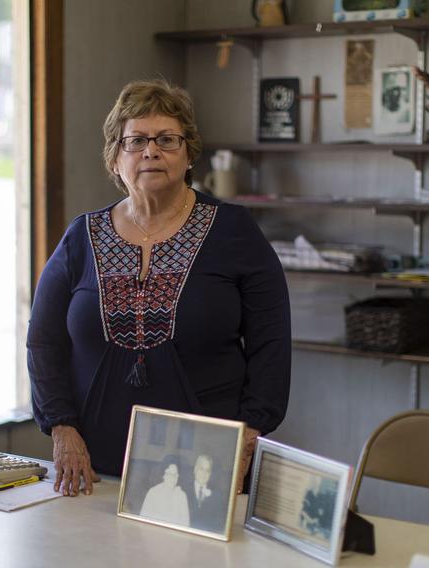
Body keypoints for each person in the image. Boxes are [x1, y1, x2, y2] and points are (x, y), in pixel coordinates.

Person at [27, 79, 291, 497]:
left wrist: (251, 430)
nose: (151, 151)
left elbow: (271, 344)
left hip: (208, 465)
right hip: (94, 468)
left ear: (189, 155)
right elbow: (43, 342)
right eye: (135, 141)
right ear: (115, 159)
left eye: (167, 139)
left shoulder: (234, 231)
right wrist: (61, 428)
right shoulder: (82, 236)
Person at [139, 457, 190, 526]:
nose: (172, 478)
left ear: (178, 476)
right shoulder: (153, 493)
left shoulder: (182, 496)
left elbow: (185, 524)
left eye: (175, 474)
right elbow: (143, 518)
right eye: (169, 474)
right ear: (163, 475)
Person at [184, 454, 227, 533]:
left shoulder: (217, 496)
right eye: (201, 469)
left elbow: (220, 524)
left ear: (210, 474)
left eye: (207, 470)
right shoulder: (183, 491)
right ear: (195, 469)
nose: (204, 474)